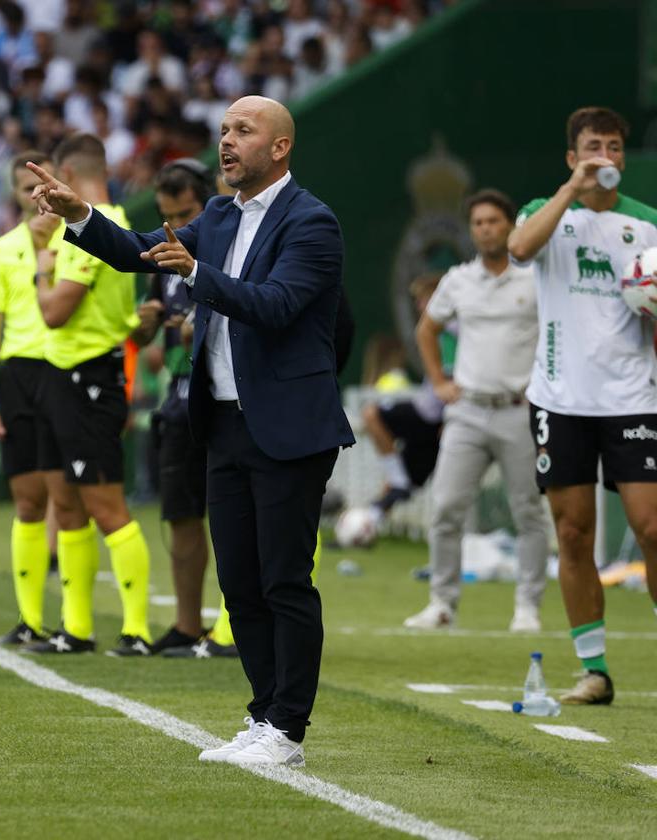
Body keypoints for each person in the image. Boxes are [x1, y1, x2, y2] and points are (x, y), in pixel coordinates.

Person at [32, 96, 352, 764]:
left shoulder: (312, 221)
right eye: (224, 130)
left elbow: (279, 305)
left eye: (243, 130)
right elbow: (134, 252)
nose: (227, 141)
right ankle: (265, 717)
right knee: (237, 582)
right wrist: (80, 215)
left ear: (280, 147)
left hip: (289, 426)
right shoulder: (215, 215)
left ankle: (289, 728)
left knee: (283, 580)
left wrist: (199, 274)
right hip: (223, 422)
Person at [507, 106, 657, 705]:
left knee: (652, 526)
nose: (606, 158)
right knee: (573, 534)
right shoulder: (547, 214)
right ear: (572, 157)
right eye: (593, 147)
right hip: (560, 399)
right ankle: (594, 670)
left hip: (632, 398)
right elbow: (518, 248)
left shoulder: (647, 226)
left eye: (615, 147)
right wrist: (571, 191)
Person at [22, 133, 156, 658]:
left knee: (106, 505)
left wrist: (40, 261)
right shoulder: (84, 225)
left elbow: (55, 311)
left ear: (70, 175)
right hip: (63, 375)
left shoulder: (101, 225)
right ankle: (75, 628)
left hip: (89, 377)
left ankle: (138, 629)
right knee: (67, 503)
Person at [403, 189, 549, 632]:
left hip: (518, 410)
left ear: (510, 227)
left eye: (493, 221)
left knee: (528, 510)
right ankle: (442, 604)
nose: (486, 229)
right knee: (446, 507)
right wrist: (441, 383)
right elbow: (426, 329)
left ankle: (527, 607)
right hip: (467, 410)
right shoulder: (459, 279)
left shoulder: (535, 278)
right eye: (478, 223)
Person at [130, 158, 238, 659]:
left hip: (221, 394)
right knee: (180, 514)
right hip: (177, 398)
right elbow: (150, 338)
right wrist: (146, 324)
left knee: (232, 515)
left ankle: (233, 628)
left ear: (207, 204)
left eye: (186, 212)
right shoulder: (162, 257)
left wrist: (202, 324)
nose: (175, 225)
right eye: (167, 214)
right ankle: (186, 624)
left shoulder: (225, 243)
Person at [0, 151, 61, 646]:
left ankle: (78, 624)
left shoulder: (81, 242)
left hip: (69, 370)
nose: (37, 195)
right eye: (27, 188)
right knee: (27, 500)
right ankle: (30, 620)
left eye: (43, 186)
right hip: (20, 376)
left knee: (74, 500)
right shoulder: (1, 250)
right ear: (15, 194)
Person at [359, 275, 448, 522]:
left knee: (447, 491)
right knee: (401, 483)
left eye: (424, 300)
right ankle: (367, 524)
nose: (420, 306)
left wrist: (452, 417)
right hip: (428, 415)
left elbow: (456, 377)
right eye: (418, 301)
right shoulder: (436, 330)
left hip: (443, 419)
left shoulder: (453, 330)